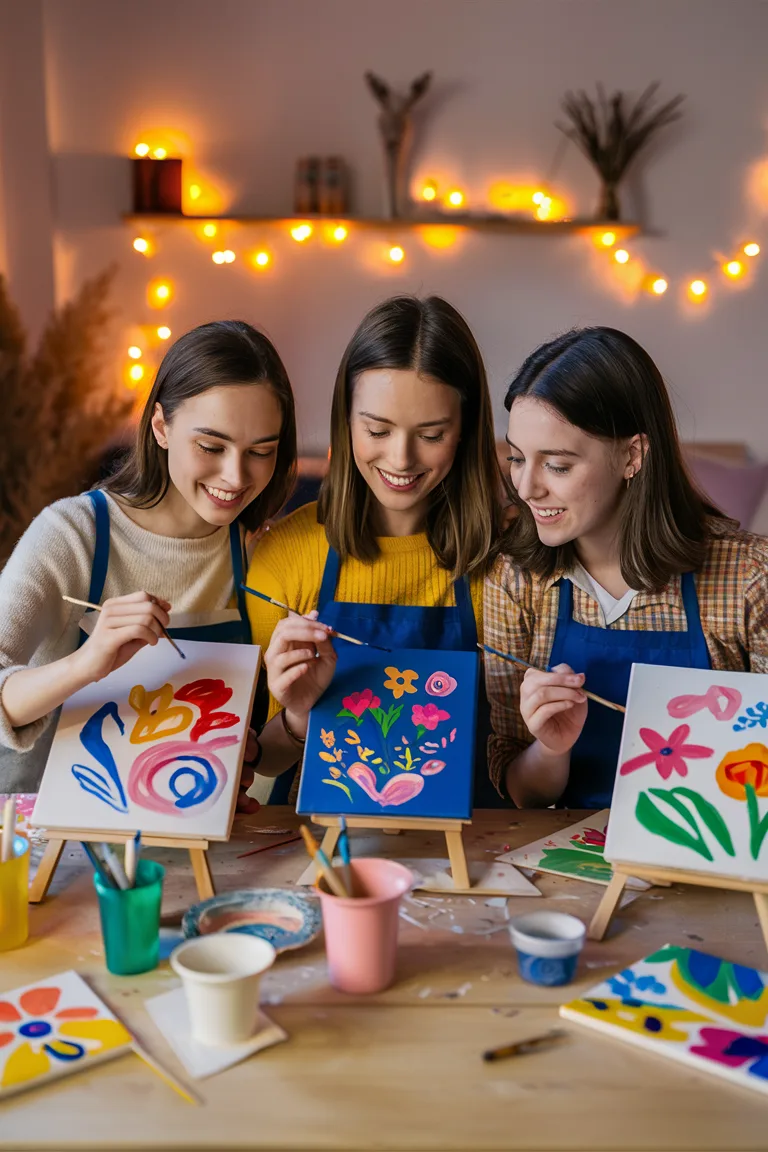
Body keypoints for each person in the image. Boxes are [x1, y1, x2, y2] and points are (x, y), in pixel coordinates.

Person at [0, 320, 297, 805]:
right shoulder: (73, 534)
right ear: (161, 427)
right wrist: (85, 663)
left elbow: (265, 751)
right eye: (211, 446)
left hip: (183, 839)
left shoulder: (255, 552)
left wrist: (245, 756)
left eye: (261, 451)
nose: (236, 475)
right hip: (40, 845)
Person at [485, 326, 768, 809]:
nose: (526, 487)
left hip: (710, 857)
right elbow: (521, 793)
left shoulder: (748, 579)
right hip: (567, 865)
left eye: (556, 465)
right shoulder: (515, 579)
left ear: (631, 455)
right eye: (516, 458)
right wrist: (553, 747)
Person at [248, 294, 507, 803]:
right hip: (326, 849)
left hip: (471, 847)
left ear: (466, 430)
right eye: (377, 430)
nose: (401, 458)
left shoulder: (506, 560)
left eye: (431, 434)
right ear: (346, 421)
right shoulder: (287, 553)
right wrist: (299, 714)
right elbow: (262, 758)